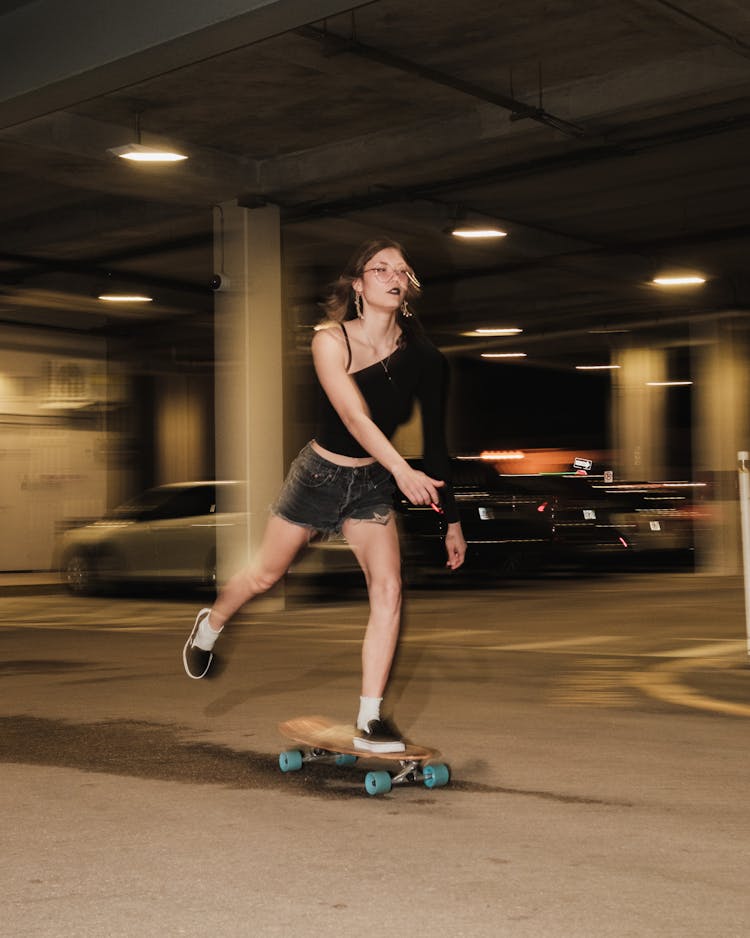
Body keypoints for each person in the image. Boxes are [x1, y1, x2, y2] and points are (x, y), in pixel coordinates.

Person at [183, 237, 467, 752]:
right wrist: (402, 470)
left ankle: (370, 717)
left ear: (407, 287)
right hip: (320, 476)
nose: (393, 275)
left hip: (371, 485)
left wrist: (452, 520)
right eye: (380, 268)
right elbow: (354, 417)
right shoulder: (329, 340)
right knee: (267, 574)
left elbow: (438, 444)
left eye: (401, 269)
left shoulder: (425, 357)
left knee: (389, 589)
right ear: (358, 284)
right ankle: (212, 622)